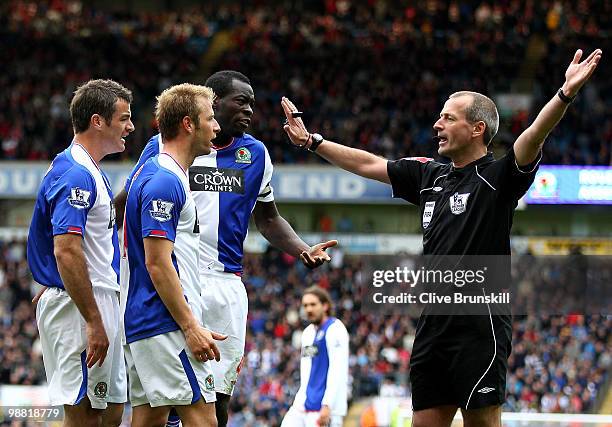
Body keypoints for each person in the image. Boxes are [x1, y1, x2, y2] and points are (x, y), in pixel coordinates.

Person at [281, 49, 602, 427]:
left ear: (477, 128)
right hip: (432, 325)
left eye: (448, 118)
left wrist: (564, 94)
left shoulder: (498, 178)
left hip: (479, 325)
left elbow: (534, 134)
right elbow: (368, 163)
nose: (437, 125)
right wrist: (312, 142)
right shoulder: (429, 175)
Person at [115, 70, 337, 426]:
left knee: (216, 397)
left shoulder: (256, 154)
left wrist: (301, 249)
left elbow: (268, 218)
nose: (249, 110)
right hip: (176, 279)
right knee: (171, 399)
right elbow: (126, 201)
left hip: (224, 284)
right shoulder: (163, 148)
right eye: (241, 101)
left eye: (252, 103)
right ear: (212, 105)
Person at [27, 79, 134, 427]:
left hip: (93, 296)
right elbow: (67, 250)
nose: (130, 127)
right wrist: (92, 319)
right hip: (83, 307)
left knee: (111, 412)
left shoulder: (89, 168)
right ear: (98, 121)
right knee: (87, 416)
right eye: (124, 118)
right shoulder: (76, 174)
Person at [121, 83, 225, 427]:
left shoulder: (162, 174)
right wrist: (190, 325)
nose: (217, 127)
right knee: (204, 421)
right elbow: (157, 262)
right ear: (188, 124)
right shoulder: (164, 181)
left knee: (149, 419)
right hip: (165, 323)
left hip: (151, 321)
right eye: (210, 119)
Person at [281, 286, 349, 427]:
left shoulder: (336, 329)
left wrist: (327, 404)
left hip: (326, 408)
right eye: (305, 305)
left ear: (325, 306)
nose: (309, 309)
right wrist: (300, 400)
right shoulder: (308, 333)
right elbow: (306, 369)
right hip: (304, 404)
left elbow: (337, 370)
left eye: (313, 304)